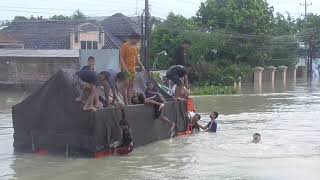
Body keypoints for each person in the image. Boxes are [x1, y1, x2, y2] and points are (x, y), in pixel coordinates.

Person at [120, 33, 145, 104]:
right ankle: (125, 102)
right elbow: (121, 57)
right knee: (126, 85)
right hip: (125, 69)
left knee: (131, 85)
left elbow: (136, 58)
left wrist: (141, 66)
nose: (137, 42)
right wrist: (125, 68)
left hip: (133, 69)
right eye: (137, 40)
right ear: (133, 38)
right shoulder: (124, 46)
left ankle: (129, 101)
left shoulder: (135, 47)